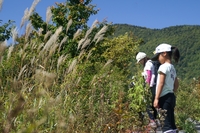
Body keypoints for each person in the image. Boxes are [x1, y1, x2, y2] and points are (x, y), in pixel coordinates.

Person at [151, 43, 180, 133]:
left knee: (166, 124)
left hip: (164, 98)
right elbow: (176, 84)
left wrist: (156, 98)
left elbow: (161, 83)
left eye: (158, 56)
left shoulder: (163, 67)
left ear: (164, 53)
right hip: (171, 97)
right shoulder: (172, 68)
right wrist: (172, 91)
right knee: (171, 122)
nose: (158, 59)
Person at [135, 52, 158, 127]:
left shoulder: (148, 64)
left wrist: (147, 87)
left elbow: (149, 76)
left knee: (147, 103)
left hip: (151, 86)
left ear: (143, 59)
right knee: (152, 103)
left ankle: (152, 120)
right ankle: (155, 119)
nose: (140, 63)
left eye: (140, 61)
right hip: (154, 85)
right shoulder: (150, 63)